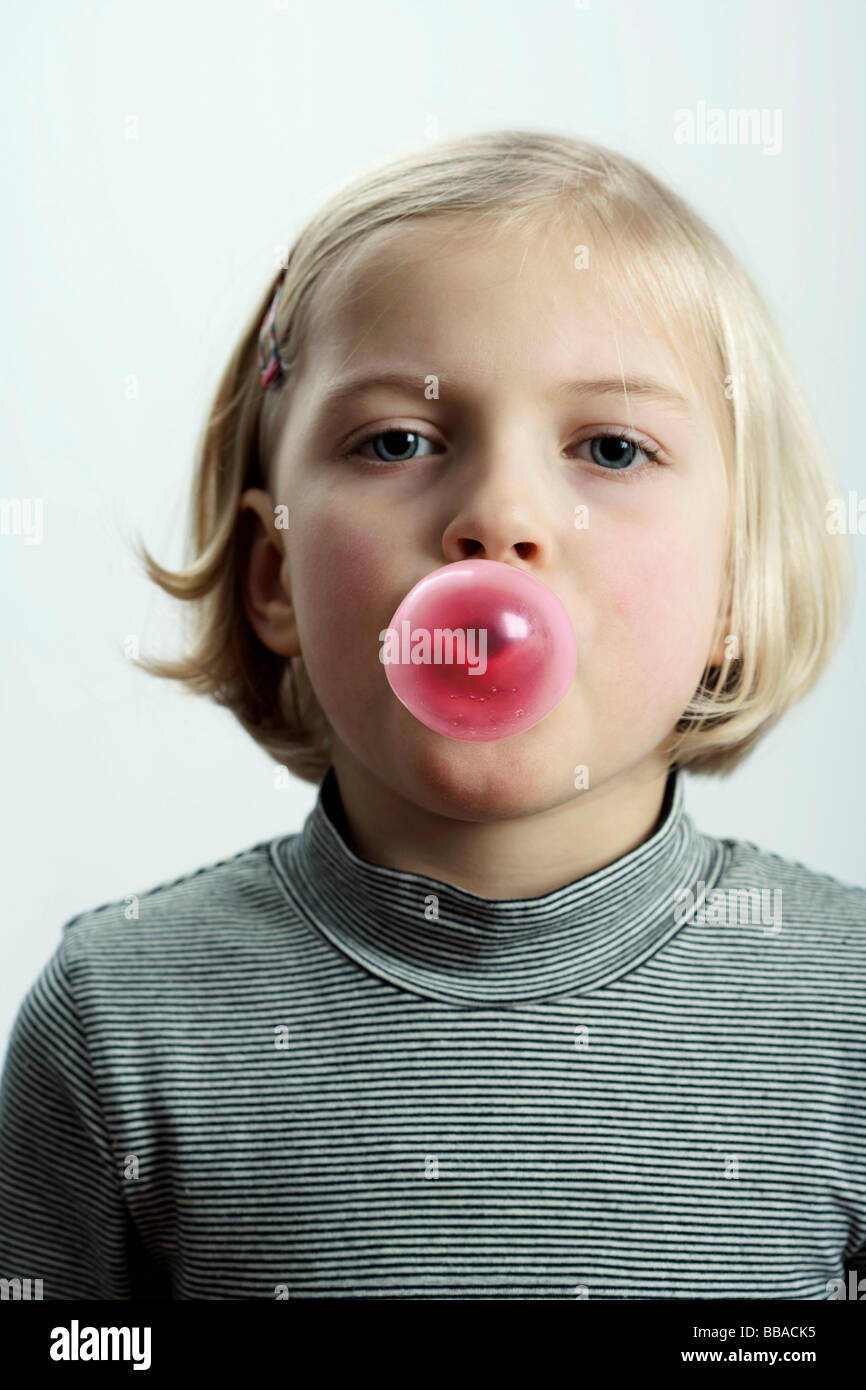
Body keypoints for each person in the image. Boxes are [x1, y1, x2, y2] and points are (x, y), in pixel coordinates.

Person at [1, 130, 864, 1301]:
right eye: (398, 441)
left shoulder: (845, 1007)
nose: (498, 517)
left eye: (610, 448)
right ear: (272, 574)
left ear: (732, 586)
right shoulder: (119, 1015)